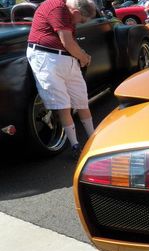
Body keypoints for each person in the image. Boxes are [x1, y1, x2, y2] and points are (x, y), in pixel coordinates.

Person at [26, 0, 96, 159]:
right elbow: (67, 41)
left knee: (81, 100)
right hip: (47, 57)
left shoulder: (65, 10)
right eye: (82, 20)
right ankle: (75, 145)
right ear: (77, 13)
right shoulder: (57, 7)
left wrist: (81, 55)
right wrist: (83, 57)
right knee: (63, 104)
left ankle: (93, 139)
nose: (81, 23)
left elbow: (69, 43)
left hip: (64, 58)